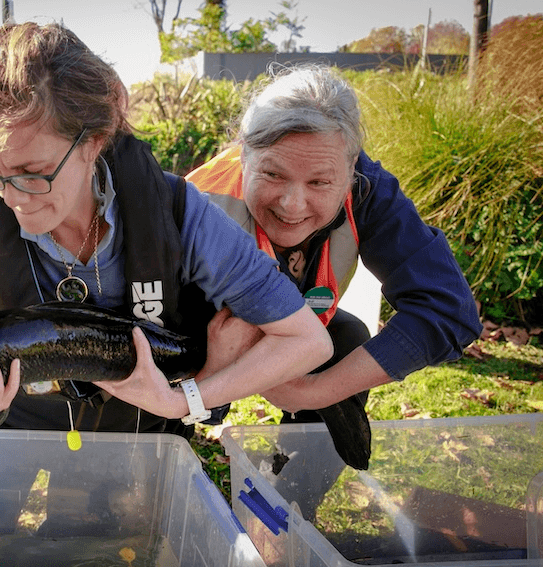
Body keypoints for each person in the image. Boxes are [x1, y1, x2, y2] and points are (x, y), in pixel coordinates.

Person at [0, 22, 334, 436]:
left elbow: (306, 340)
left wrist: (185, 400)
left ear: (93, 141)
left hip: (144, 421)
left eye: (33, 172)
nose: (12, 195)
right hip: (21, 423)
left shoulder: (178, 211)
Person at [187, 64, 483, 517]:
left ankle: (286, 510)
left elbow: (448, 310)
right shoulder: (192, 207)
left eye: (320, 182)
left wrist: (314, 392)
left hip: (303, 342)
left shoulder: (369, 188)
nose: (292, 204)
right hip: (201, 341)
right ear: (242, 153)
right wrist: (211, 378)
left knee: (346, 339)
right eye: (273, 175)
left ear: (351, 172)